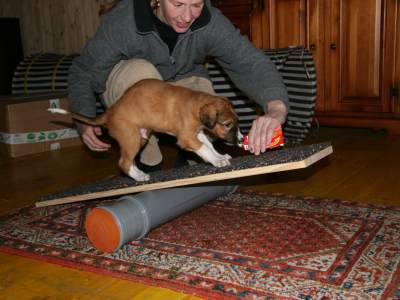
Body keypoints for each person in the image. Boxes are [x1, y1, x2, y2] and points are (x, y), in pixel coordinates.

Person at [68, 0, 289, 168]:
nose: (187, 16)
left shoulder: (210, 22)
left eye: (196, 4)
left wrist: (276, 108)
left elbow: (249, 61)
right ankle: (148, 160)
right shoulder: (124, 21)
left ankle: (193, 158)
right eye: (178, 4)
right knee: (143, 74)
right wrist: (84, 117)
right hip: (132, 86)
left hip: (179, 85)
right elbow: (84, 71)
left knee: (208, 103)